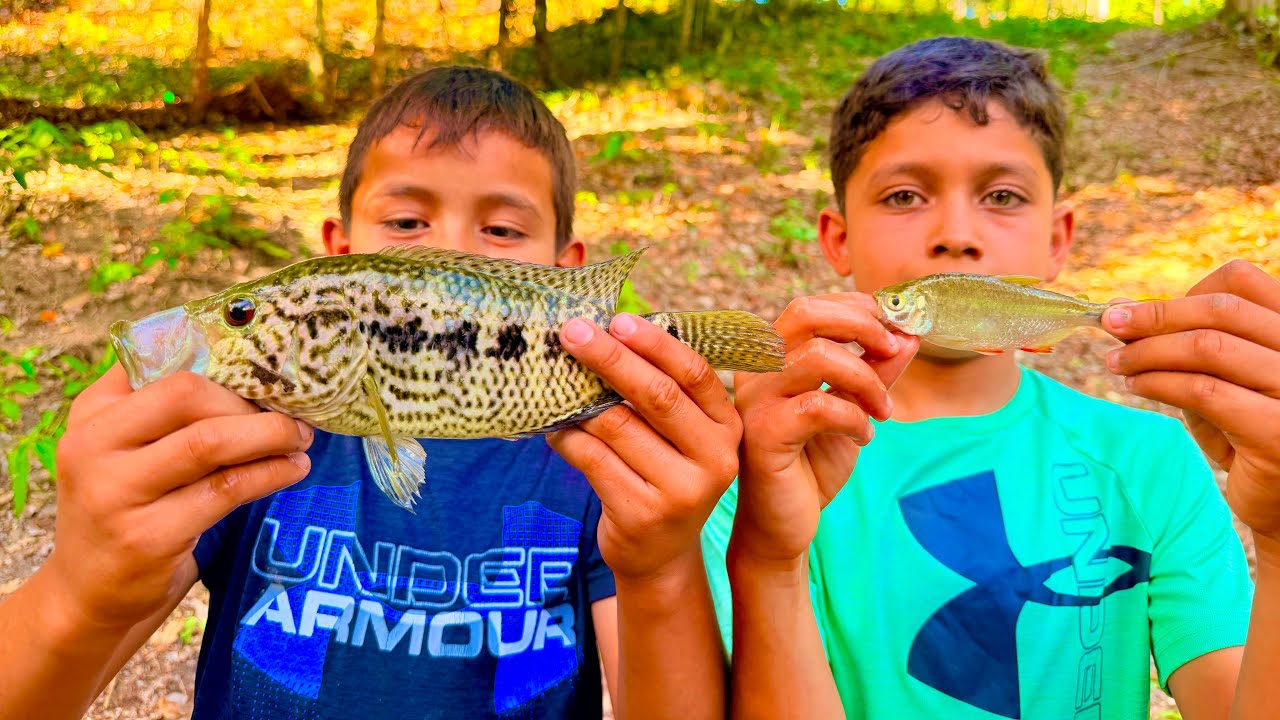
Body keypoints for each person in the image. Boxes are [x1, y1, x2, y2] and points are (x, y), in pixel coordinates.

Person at [0, 66, 733, 720]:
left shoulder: (602, 472)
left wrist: (661, 563)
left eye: (503, 228)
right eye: (407, 222)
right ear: (337, 256)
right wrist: (81, 590)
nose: (446, 255)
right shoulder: (229, 459)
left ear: (567, 272)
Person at [704, 36, 1280, 719]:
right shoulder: (767, 479)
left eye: (1001, 195)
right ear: (837, 239)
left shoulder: (1148, 459)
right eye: (905, 195)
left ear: (1058, 239)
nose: (956, 232)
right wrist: (770, 561)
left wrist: (1275, 539)